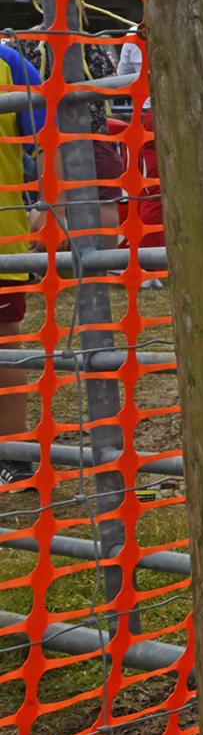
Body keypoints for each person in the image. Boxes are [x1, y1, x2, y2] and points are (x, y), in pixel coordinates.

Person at [0, 41, 46, 485]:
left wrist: (48, 207)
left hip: (3, 236)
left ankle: (13, 453)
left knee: (2, 344)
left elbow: (53, 132)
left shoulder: (8, 59)